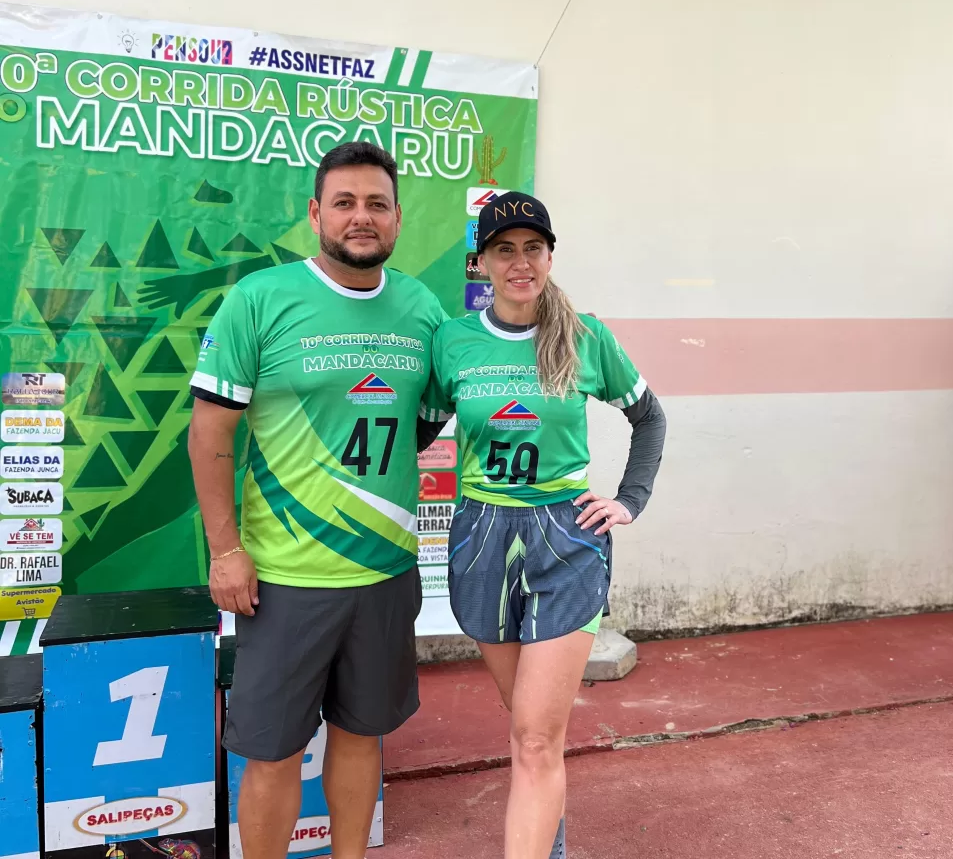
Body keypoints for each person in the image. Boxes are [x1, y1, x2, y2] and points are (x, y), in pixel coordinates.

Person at [187, 142, 448, 859]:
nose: (361, 217)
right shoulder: (259, 299)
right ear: (315, 213)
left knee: (362, 737)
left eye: (377, 204)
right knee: (273, 753)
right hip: (285, 579)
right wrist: (225, 550)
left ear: (398, 218)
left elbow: (420, 424)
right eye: (345, 202)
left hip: (386, 572)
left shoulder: (422, 308)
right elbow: (209, 433)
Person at [429, 191, 667, 859]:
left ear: (550, 256)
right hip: (482, 538)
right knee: (529, 728)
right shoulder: (452, 342)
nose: (520, 262)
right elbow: (412, 431)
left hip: (565, 541)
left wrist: (629, 499)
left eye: (533, 248)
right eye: (504, 249)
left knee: (535, 739)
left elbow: (649, 416)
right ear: (481, 262)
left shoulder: (586, 336)